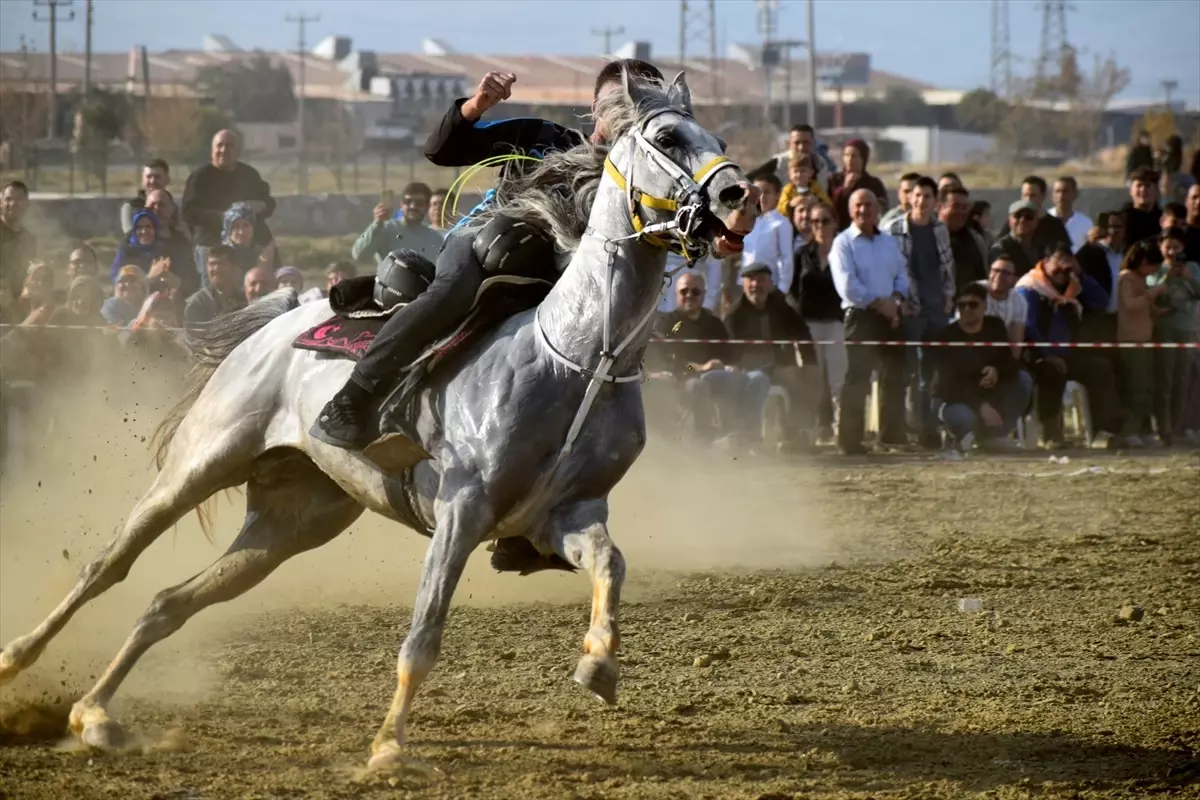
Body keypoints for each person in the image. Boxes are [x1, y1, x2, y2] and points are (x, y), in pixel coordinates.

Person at [312, 59, 670, 450]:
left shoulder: (641, 179)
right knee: (452, 291)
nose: (630, 113)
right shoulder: (543, 136)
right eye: (622, 101)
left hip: (555, 277)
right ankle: (352, 397)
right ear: (597, 106)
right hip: (484, 241)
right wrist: (477, 105)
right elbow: (443, 149)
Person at [1017, 244, 1122, 448]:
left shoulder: (1073, 284)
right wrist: (1047, 354)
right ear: (1045, 263)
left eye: (1068, 265)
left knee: (1100, 367)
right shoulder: (1030, 288)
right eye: (1059, 264)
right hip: (1037, 356)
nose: (1064, 271)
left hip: (1068, 352)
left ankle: (1104, 430)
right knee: (1051, 372)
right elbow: (1028, 326)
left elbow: (1101, 302)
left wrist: (1081, 274)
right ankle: (1049, 433)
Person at [829, 189, 909, 454]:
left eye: (869, 205)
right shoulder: (843, 243)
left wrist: (894, 302)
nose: (864, 210)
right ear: (851, 211)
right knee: (857, 380)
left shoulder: (888, 242)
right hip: (861, 316)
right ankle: (850, 442)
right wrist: (880, 305)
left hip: (892, 316)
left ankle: (891, 437)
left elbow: (902, 277)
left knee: (894, 378)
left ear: (878, 209)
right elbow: (848, 286)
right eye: (859, 205)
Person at [649, 272, 767, 445]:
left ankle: (747, 437)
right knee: (701, 384)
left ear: (704, 294)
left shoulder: (714, 323)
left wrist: (732, 365)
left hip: (722, 374)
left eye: (695, 292)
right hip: (687, 378)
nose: (689, 295)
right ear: (676, 294)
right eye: (684, 291)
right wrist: (699, 368)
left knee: (759, 378)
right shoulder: (666, 323)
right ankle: (705, 441)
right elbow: (667, 362)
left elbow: (730, 354)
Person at [887, 175, 957, 448]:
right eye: (917, 195)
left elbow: (947, 264)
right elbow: (893, 270)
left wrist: (949, 295)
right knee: (910, 373)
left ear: (935, 201)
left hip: (937, 310)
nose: (921, 201)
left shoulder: (940, 229)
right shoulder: (894, 229)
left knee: (933, 373)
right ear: (909, 198)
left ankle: (929, 429)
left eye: (928, 196)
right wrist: (900, 300)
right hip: (910, 310)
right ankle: (909, 426)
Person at [722, 262, 818, 450]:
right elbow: (728, 349)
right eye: (751, 280)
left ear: (770, 283)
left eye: (761, 280)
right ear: (743, 283)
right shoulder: (735, 314)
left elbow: (802, 332)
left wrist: (810, 362)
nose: (756, 285)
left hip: (778, 363)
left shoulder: (780, 306)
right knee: (791, 376)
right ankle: (775, 433)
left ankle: (799, 432)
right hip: (748, 369)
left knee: (812, 376)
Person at [930, 283, 1031, 453]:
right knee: (964, 418)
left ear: (985, 306)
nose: (967, 309)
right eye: (962, 305)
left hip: (993, 394)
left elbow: (1010, 361)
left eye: (973, 304)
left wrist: (997, 370)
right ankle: (961, 437)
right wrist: (980, 406)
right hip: (958, 400)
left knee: (1023, 380)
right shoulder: (946, 336)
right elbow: (944, 386)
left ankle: (996, 436)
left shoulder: (995, 327)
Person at [181, 130, 275, 285]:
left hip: (246, 244)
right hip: (211, 243)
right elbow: (188, 212)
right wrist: (225, 217)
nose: (224, 150)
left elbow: (268, 203)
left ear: (238, 151)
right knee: (215, 290)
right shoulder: (200, 178)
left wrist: (261, 206)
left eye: (229, 146)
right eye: (220, 145)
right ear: (212, 150)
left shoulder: (249, 175)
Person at [789, 202, 846, 439]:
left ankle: (841, 430)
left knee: (837, 381)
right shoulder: (802, 254)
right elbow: (792, 290)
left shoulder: (844, 252)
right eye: (815, 222)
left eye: (825, 221)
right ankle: (811, 431)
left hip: (836, 324)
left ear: (835, 223)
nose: (820, 226)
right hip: (808, 325)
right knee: (812, 381)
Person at [1147, 228, 1200, 444]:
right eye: (1167, 246)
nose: (1172, 252)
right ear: (1160, 247)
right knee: (1165, 379)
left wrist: (1188, 278)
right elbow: (1152, 296)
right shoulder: (1155, 269)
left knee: (1183, 379)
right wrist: (1166, 276)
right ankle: (1164, 427)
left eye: (1176, 247)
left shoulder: (1193, 268)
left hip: (1187, 328)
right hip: (1164, 328)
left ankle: (1180, 427)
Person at [1116, 240, 1167, 446]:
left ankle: (1144, 429)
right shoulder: (1127, 278)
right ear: (1144, 261)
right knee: (1138, 387)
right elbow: (1130, 304)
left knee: (1146, 387)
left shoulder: (1139, 278)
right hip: (1131, 340)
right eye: (1153, 266)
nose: (1154, 270)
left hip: (1144, 338)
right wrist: (1153, 292)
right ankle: (1130, 431)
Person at [352, 182, 445, 266]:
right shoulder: (385, 229)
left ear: (427, 206)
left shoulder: (435, 238)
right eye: (408, 201)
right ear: (401, 204)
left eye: (419, 203)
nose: (413, 206)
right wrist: (376, 223)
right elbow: (360, 256)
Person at [742, 173, 793, 292]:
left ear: (778, 195)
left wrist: (783, 288)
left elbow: (786, 258)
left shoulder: (782, 223)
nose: (762, 197)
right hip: (746, 283)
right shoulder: (747, 220)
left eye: (767, 192)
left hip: (770, 285)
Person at [997, 176, 1071, 255]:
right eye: (1025, 195)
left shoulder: (1055, 225)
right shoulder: (1015, 222)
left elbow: (1065, 254)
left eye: (1032, 195)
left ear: (1043, 196)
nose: (1028, 200)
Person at [184, 244, 247, 330]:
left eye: (221, 264)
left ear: (234, 267)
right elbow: (194, 338)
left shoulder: (244, 298)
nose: (216, 269)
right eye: (212, 264)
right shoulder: (198, 303)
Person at [830, 139, 888, 232]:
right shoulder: (835, 180)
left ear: (863, 158)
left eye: (854, 156)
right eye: (846, 155)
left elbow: (882, 208)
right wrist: (844, 189)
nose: (849, 160)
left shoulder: (873, 183)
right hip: (839, 231)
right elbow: (830, 206)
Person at [941, 186, 989, 290]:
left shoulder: (976, 240)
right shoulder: (927, 237)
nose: (960, 212)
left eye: (964, 207)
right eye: (956, 206)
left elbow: (983, 278)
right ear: (941, 207)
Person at [0, 181, 36, 299]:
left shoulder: (29, 240)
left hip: (17, 306)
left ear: (27, 204)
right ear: (1, 202)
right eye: (8, 199)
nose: (13, 203)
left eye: (18, 199)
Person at [977, 257, 1025, 346]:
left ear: (1015, 280)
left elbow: (1016, 339)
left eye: (1006, 273)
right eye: (995, 270)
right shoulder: (975, 291)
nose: (998, 276)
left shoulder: (1019, 301)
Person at [109, 209, 164, 282]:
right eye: (139, 227)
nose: (144, 231)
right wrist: (149, 278)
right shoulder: (126, 250)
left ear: (155, 229)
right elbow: (115, 278)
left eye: (148, 226)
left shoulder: (161, 250)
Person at [990, 200, 1041, 278]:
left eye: (1028, 216)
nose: (1022, 220)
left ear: (1036, 222)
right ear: (1009, 220)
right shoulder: (1000, 248)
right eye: (1018, 215)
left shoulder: (1041, 247)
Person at [120, 159, 171, 234]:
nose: (152, 181)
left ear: (167, 180)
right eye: (149, 177)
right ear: (143, 180)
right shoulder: (131, 208)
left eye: (157, 177)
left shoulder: (174, 207)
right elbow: (131, 237)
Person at [1048, 176, 1093, 252]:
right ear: (1052, 195)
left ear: (1075, 194)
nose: (1061, 195)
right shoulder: (1044, 219)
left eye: (1065, 191)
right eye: (1057, 191)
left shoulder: (1085, 223)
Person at [1123, 166, 1162, 247]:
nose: (1143, 190)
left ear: (1157, 190)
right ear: (1130, 190)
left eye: (1147, 185)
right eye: (1139, 185)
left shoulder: (1163, 219)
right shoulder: (1122, 219)